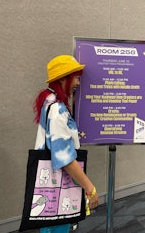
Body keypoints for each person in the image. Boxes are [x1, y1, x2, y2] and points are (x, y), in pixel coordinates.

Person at [33, 55, 99, 233]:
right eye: (76, 77)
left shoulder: (48, 101)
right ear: (63, 78)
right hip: (59, 182)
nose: (78, 82)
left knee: (50, 226)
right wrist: (90, 188)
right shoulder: (57, 110)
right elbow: (65, 158)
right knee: (57, 227)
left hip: (50, 182)